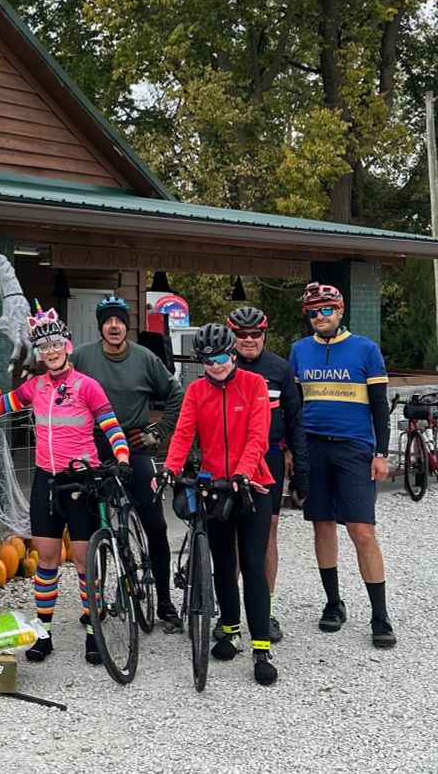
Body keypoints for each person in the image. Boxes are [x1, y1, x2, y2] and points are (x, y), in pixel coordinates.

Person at [0, 301, 130, 664]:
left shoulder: (87, 386)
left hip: (81, 480)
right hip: (47, 481)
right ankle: (43, 635)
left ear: (68, 347)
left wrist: (122, 458)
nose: (50, 352)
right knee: (46, 559)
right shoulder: (35, 387)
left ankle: (93, 632)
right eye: (43, 348)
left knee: (82, 561)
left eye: (55, 345)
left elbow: (111, 426)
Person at [161, 323, 278, 686]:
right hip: (215, 487)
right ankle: (230, 631)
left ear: (233, 354)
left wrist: (244, 471)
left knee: (254, 566)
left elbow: (259, 435)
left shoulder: (254, 384)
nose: (217, 365)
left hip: (253, 485)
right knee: (223, 565)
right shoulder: (196, 390)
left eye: (223, 357)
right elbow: (183, 433)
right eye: (209, 360)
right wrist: (170, 467)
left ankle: (262, 648)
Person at [289, 282, 396, 649]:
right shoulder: (299, 350)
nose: (319, 317)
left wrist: (381, 452)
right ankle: (333, 603)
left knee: (362, 531)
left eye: (325, 310)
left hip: (354, 449)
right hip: (313, 447)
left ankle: (379, 615)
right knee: (322, 527)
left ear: (340, 310)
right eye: (312, 312)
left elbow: (380, 406)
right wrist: (292, 450)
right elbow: (294, 405)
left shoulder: (366, 349)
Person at [71, 295, 184, 629]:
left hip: (134, 443)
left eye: (119, 320)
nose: (114, 326)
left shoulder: (145, 358)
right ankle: (94, 601)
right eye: (108, 320)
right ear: (101, 325)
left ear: (126, 324)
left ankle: (164, 602)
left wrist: (158, 432)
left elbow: (175, 394)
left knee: (156, 524)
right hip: (94, 443)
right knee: (91, 526)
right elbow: (61, 389)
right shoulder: (82, 357)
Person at [225, 305, 309, 644]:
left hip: (269, 458)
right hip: (229, 460)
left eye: (255, 334)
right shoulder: (220, 367)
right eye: (241, 335)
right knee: (230, 537)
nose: (248, 340)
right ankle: (230, 611)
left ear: (264, 334)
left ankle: (265, 610)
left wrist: (302, 469)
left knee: (267, 536)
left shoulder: (279, 368)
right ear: (232, 336)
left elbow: (296, 420)